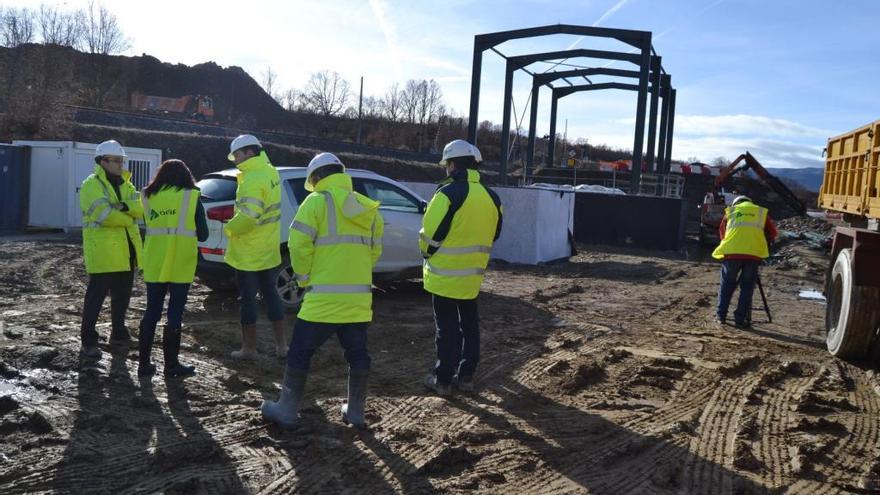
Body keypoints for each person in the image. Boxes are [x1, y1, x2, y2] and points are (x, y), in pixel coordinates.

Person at [261, 152, 383, 429]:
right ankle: (355, 412)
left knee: (300, 353)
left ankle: (287, 410)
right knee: (357, 354)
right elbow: (375, 252)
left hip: (323, 299)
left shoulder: (315, 202)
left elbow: (298, 246)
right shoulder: (367, 208)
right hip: (358, 300)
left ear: (316, 178)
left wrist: (303, 279)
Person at [420, 140, 502, 396]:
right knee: (470, 326)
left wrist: (427, 253)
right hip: (473, 275)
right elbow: (496, 233)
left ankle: (442, 379)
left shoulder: (446, 194)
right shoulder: (492, 196)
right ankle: (466, 377)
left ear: (453, 165)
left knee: (446, 329)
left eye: (447, 164)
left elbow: (430, 235)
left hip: (444, 275)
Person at [137, 159, 209, 378]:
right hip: (181, 262)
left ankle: (143, 365)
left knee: (152, 312)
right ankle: (171, 366)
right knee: (175, 312)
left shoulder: (148, 196)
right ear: (186, 176)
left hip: (155, 261)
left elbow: (150, 226)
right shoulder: (191, 196)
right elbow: (204, 234)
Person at [79, 140, 144, 359]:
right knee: (95, 299)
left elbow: (141, 208)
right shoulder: (91, 185)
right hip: (104, 253)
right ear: (102, 161)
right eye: (116, 161)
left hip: (127, 252)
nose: (120, 164)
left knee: (122, 297)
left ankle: (119, 333)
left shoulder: (126, 184)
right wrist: (128, 217)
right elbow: (104, 216)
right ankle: (88, 341)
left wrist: (125, 207)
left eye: (121, 160)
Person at [224, 135, 286, 360]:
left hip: (249, 251)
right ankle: (282, 346)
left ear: (249, 153)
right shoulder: (271, 172)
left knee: (248, 299)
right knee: (271, 295)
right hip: (267, 247)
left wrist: (229, 229)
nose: (235, 161)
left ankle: (249, 348)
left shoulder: (253, 178)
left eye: (237, 155)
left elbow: (249, 217)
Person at [712, 195, 777, 328]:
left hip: (732, 254)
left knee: (726, 285)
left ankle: (721, 316)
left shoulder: (731, 212)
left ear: (736, 203)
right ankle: (740, 319)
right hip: (753, 255)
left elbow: (722, 234)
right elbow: (773, 233)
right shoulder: (760, 212)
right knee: (747, 288)